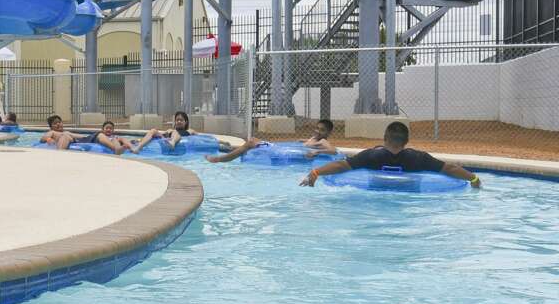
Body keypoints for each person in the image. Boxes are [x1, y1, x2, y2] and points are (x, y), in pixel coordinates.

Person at [300, 121, 482, 188]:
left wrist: (315, 172)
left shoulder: (371, 156)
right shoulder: (419, 158)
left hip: (374, 199)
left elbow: (341, 166)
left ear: (384, 137)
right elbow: (449, 168)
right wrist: (474, 179)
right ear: (407, 140)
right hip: (411, 202)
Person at [205, 119, 336, 164]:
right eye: (317, 128)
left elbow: (333, 151)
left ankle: (220, 159)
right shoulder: (314, 139)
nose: (318, 132)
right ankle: (226, 153)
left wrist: (316, 152)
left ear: (328, 133)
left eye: (322, 130)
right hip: (282, 149)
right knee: (251, 144)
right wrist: (302, 141)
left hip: (281, 152)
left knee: (251, 142)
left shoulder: (323, 141)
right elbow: (306, 143)